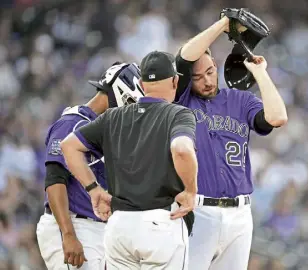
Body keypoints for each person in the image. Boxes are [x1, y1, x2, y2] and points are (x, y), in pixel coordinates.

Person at [60, 51, 198, 270]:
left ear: (142, 84)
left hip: (120, 226)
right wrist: (190, 191)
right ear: (175, 80)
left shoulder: (113, 117)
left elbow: (68, 146)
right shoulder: (178, 114)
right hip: (162, 221)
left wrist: (94, 190)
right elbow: (181, 149)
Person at [174, 15, 288, 270]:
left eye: (210, 72)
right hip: (199, 209)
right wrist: (223, 25)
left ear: (216, 65)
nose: (206, 80)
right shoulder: (183, 102)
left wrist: (260, 73)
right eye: (197, 77)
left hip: (240, 214)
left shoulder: (239, 100)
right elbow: (184, 57)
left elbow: (278, 117)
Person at [36, 62, 144, 270]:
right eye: (132, 102)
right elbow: (54, 180)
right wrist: (68, 234)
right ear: (122, 93)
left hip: (98, 228)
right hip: (73, 225)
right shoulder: (73, 121)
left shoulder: (109, 131)